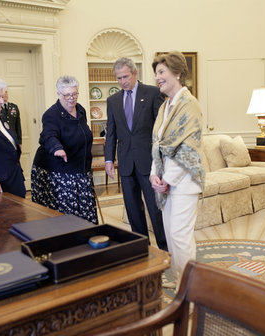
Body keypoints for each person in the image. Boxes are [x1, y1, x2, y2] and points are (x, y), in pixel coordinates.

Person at [150, 51, 206, 287]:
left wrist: (167, 179)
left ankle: (189, 285)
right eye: (156, 73)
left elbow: (186, 148)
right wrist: (154, 173)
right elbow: (159, 144)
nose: (157, 78)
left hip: (184, 181)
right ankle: (178, 277)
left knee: (180, 236)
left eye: (161, 72)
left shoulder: (189, 104)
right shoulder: (166, 106)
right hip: (166, 180)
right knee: (171, 233)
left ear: (178, 73)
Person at [105, 57, 168, 252]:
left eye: (125, 76)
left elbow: (161, 128)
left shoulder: (152, 93)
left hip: (147, 163)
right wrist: (109, 159)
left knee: (154, 209)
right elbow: (111, 132)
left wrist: (161, 159)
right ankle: (143, 249)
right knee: (133, 210)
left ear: (135, 73)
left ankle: (165, 249)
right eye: (118, 78)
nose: (122, 81)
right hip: (125, 163)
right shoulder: (113, 100)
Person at [30, 75, 97, 224]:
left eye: (74, 94)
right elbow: (48, 135)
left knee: (85, 212)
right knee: (65, 217)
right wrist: (57, 148)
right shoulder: (51, 114)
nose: (71, 98)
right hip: (58, 171)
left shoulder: (80, 111)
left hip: (80, 169)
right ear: (59, 94)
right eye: (67, 94)